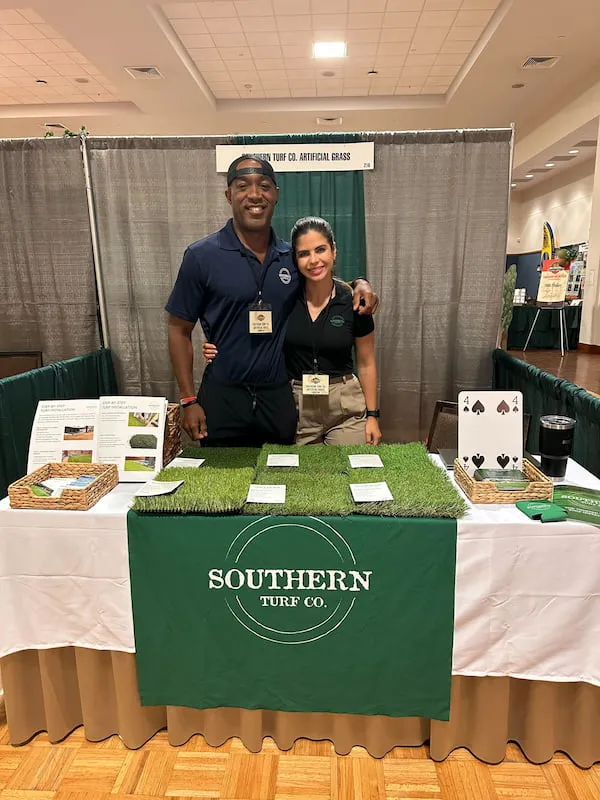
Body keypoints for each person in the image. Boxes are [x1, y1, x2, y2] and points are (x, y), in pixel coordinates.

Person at [166, 154, 378, 447]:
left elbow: (322, 280)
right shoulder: (201, 256)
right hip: (223, 397)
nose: (255, 194)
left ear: (276, 194)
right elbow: (178, 329)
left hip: (278, 400)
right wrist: (188, 399)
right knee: (224, 476)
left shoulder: (290, 257)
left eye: (264, 186)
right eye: (243, 186)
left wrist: (359, 284)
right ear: (228, 195)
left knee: (283, 473)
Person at [205, 216, 382, 445]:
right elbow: (251, 332)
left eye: (320, 250)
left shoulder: (355, 302)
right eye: (304, 254)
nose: (314, 260)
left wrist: (373, 416)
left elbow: (366, 363)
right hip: (297, 406)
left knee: (348, 465)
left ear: (334, 251)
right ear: (295, 259)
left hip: (345, 407)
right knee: (298, 469)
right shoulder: (284, 299)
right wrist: (218, 348)